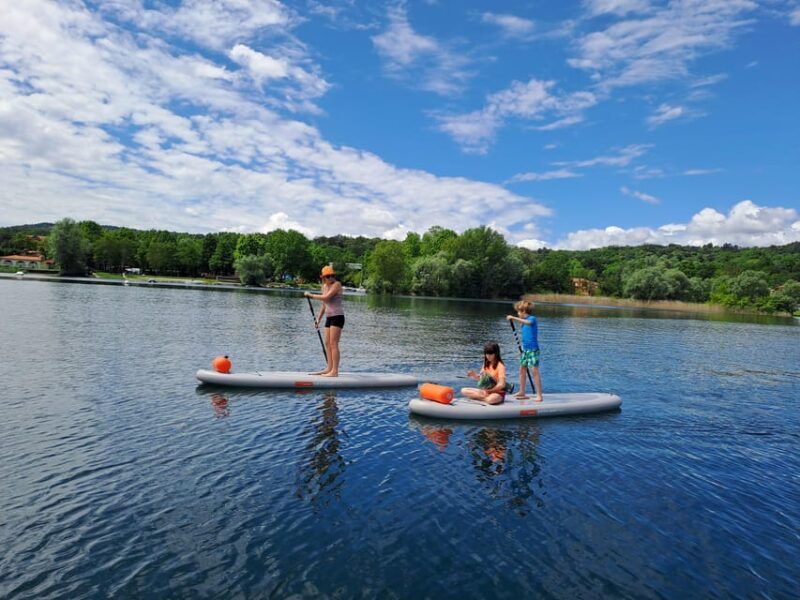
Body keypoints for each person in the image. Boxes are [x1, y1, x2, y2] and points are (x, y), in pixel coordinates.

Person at [304, 265, 344, 377]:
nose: (331, 278)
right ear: (323, 278)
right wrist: (318, 319)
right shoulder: (324, 286)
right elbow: (324, 304)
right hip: (329, 317)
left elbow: (326, 297)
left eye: (332, 275)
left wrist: (311, 295)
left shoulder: (337, 285)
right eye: (328, 276)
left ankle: (335, 371)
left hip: (338, 317)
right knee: (327, 343)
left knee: (333, 343)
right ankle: (329, 368)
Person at [506, 300, 543, 402]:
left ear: (523, 311)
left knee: (534, 371)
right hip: (525, 350)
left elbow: (528, 322)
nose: (517, 313)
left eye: (518, 311)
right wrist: (521, 349)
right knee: (522, 370)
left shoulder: (532, 319)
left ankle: (539, 395)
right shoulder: (523, 323)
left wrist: (513, 318)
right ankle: (522, 391)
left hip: (533, 350)